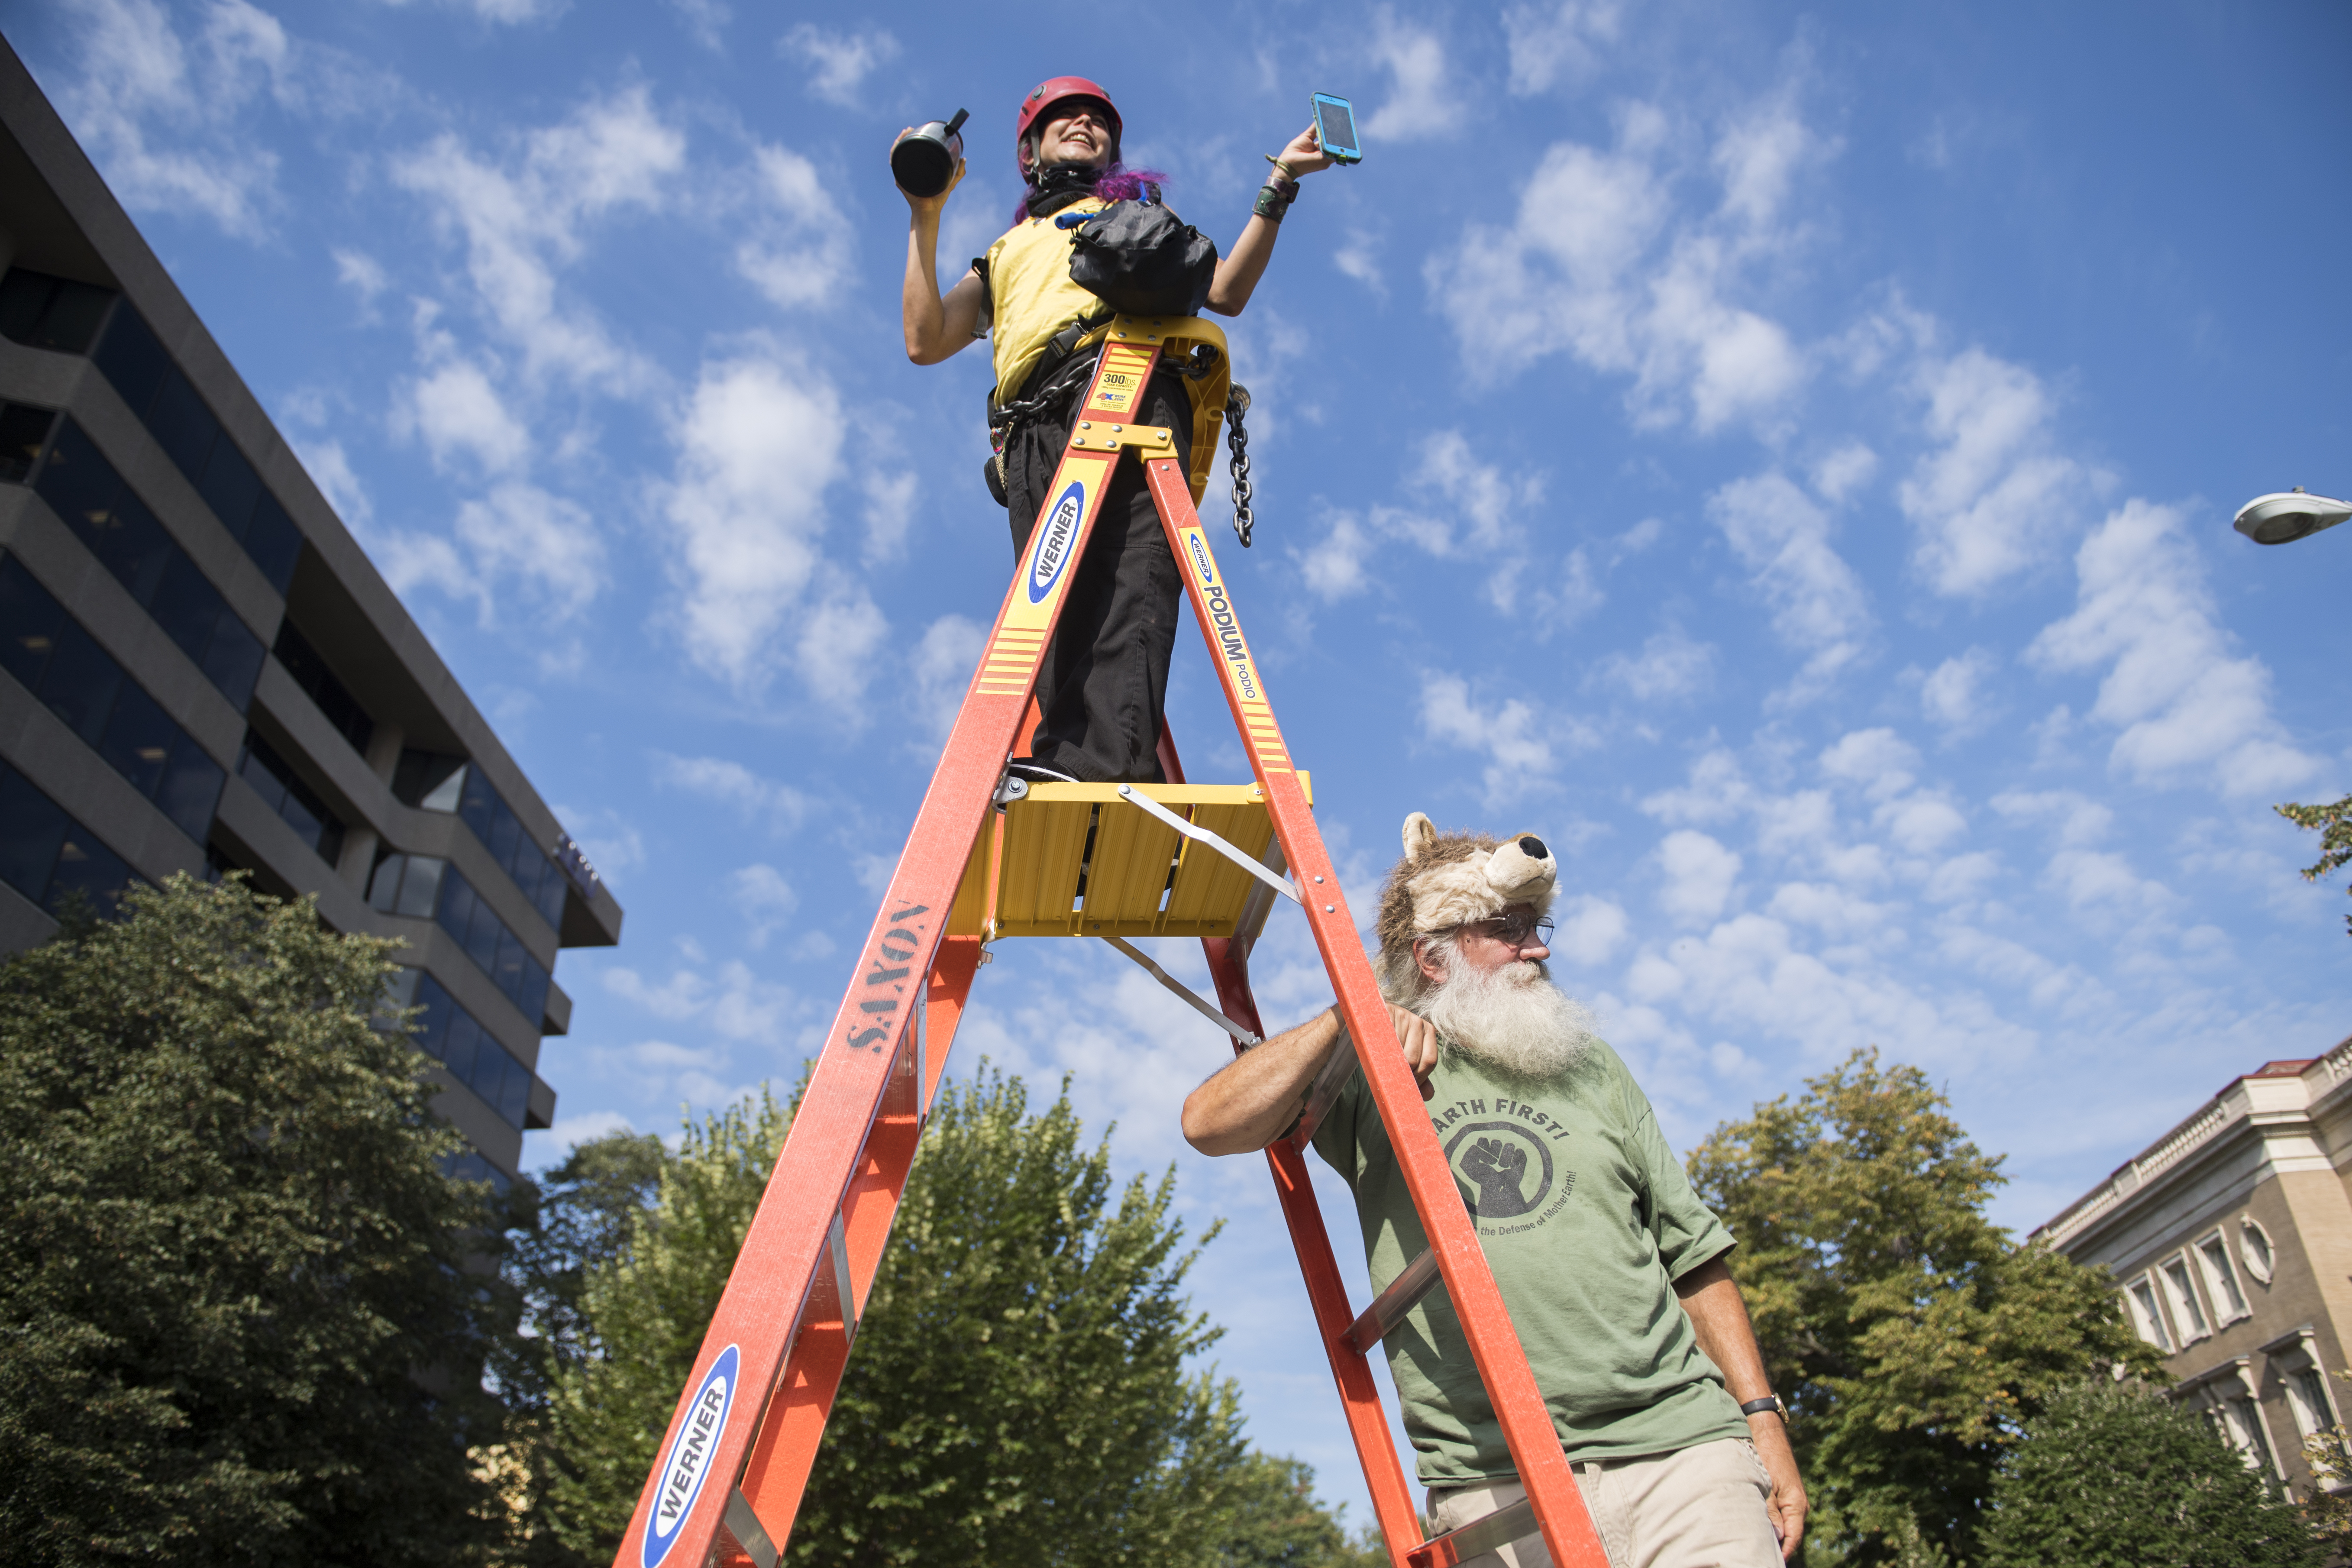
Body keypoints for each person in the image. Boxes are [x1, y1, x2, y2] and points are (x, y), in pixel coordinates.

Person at [1181, 813, 1808, 1568]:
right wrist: (1347, 1020)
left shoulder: (1592, 1065)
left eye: (1539, 926)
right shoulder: (1369, 1068)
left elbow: (1696, 1256)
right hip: (1492, 1477)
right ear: (1435, 956)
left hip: (1685, 1453)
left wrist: (1762, 1421)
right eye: (1509, 929)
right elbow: (1209, 1123)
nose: (1538, 948)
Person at [899, 76, 1331, 785]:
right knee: (1059, 610)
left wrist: (1279, 183)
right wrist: (926, 212)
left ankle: (1112, 775)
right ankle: (1075, 766)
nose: (1082, 123)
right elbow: (925, 338)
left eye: (1096, 119)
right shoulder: (1008, 251)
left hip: (1127, 389)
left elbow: (1225, 292)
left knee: (1132, 582)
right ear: (1030, 150)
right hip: (1034, 428)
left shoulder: (1135, 221)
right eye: (1062, 117)